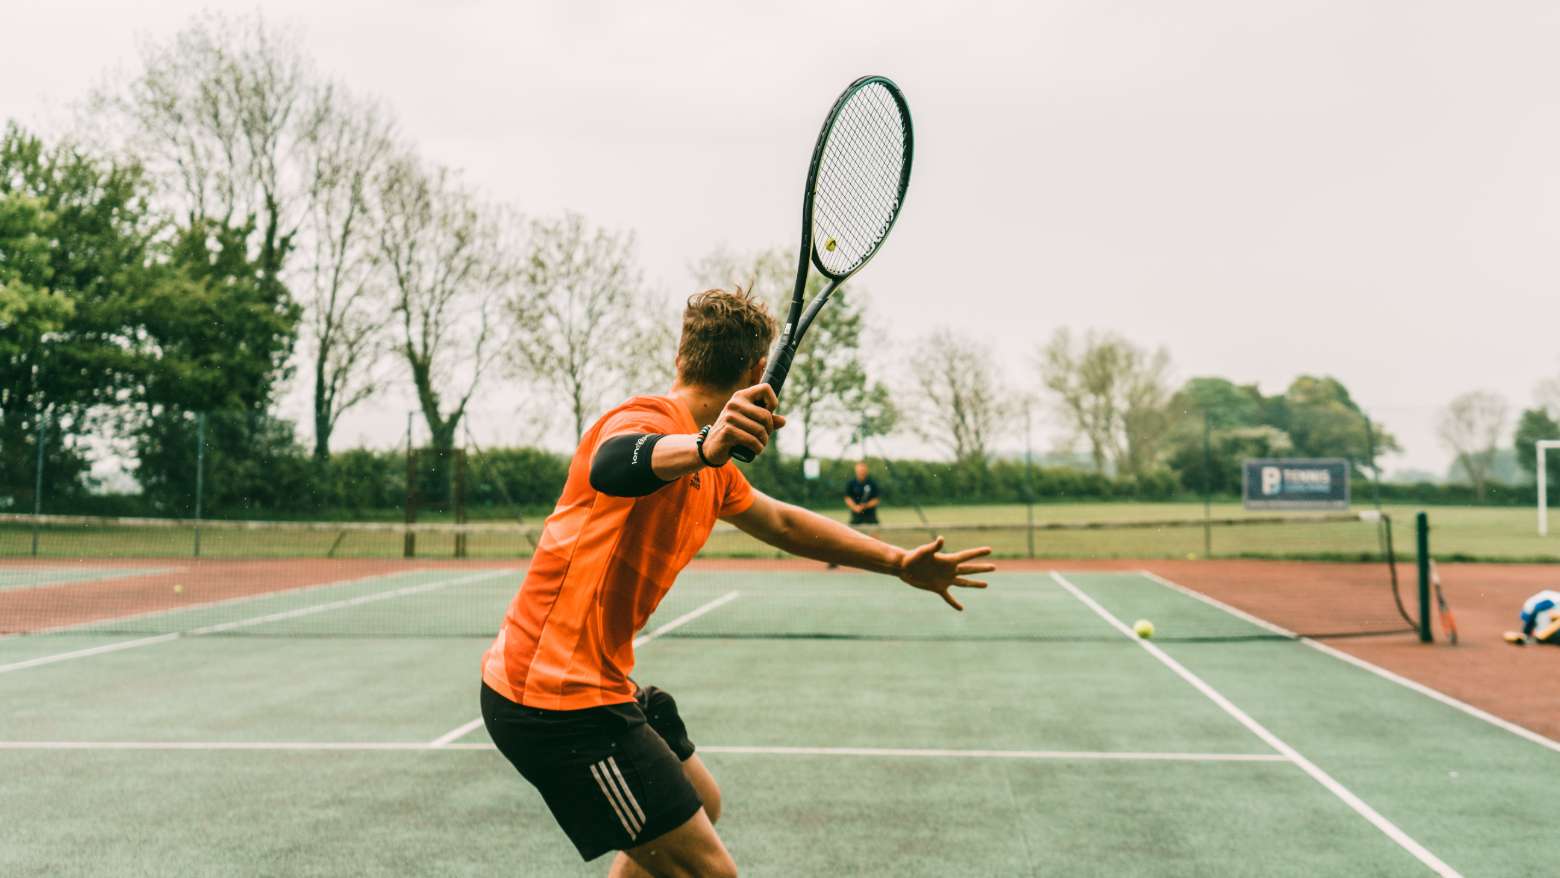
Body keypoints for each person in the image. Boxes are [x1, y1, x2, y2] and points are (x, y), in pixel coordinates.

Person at [480, 287, 994, 878]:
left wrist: (898, 562)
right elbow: (613, 462)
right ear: (756, 370)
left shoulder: (714, 471)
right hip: (553, 701)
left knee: (705, 805)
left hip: (596, 682)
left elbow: (781, 521)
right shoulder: (648, 421)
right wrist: (703, 444)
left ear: (681, 356)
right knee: (711, 873)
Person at [843, 460, 881, 527]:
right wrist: (855, 507)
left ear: (866, 471)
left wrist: (865, 506)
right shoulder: (851, 483)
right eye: (860, 471)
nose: (861, 472)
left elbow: (876, 500)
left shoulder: (872, 483)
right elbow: (847, 498)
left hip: (870, 515)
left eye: (863, 470)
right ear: (856, 471)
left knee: (875, 533)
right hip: (856, 515)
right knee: (851, 533)